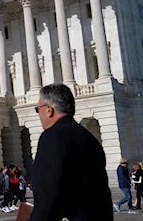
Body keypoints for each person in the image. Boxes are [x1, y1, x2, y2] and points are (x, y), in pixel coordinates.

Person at [30, 83, 112, 221]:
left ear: (49, 109)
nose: (39, 114)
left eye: (38, 109)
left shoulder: (53, 136)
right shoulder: (89, 138)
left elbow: (48, 195)